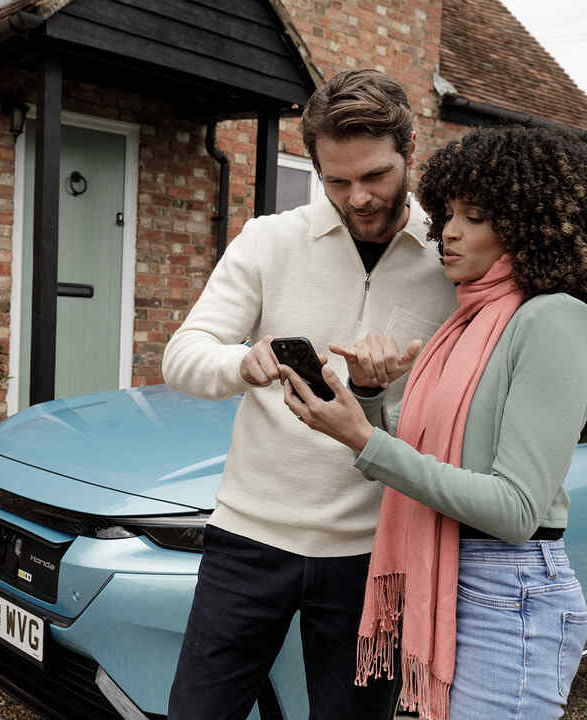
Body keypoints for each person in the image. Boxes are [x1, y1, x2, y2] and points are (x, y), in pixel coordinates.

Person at [161, 68, 456, 719]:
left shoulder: (450, 259)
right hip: (247, 542)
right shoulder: (269, 239)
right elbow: (182, 358)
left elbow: (460, 411)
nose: (358, 198)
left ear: (411, 151)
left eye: (376, 176)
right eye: (337, 180)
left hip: (376, 556)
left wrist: (381, 397)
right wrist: (248, 362)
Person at [279, 124, 587, 720]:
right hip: (450, 576)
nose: (447, 230)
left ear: (530, 224)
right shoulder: (464, 323)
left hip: (509, 593)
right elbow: (428, 468)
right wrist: (365, 403)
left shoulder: (553, 320)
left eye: (475, 216)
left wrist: (364, 440)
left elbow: (514, 509)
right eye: (447, 211)